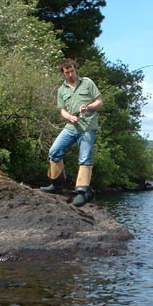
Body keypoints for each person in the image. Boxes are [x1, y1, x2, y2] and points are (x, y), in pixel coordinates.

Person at [40, 58, 103, 207]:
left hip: (87, 128)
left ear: (75, 69)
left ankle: (82, 192)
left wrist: (88, 107)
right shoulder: (61, 90)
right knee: (54, 152)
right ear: (63, 73)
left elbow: (99, 101)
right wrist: (69, 117)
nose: (70, 74)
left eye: (72, 71)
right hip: (70, 128)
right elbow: (62, 110)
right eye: (66, 72)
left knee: (85, 158)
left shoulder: (87, 83)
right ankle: (56, 184)